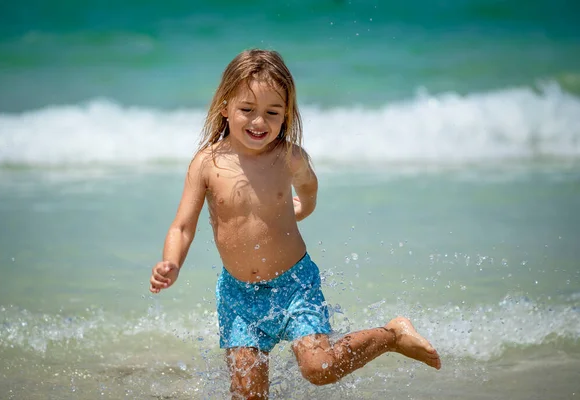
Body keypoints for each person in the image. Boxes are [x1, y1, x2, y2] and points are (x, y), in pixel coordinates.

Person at [149, 49, 441, 399]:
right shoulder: (206, 163)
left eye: (272, 113)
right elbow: (182, 226)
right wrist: (172, 262)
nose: (259, 122)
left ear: (286, 115)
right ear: (225, 106)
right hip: (238, 296)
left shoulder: (288, 157)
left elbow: (309, 186)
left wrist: (303, 207)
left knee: (320, 369)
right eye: (247, 110)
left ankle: (392, 335)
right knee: (248, 396)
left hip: (294, 285)